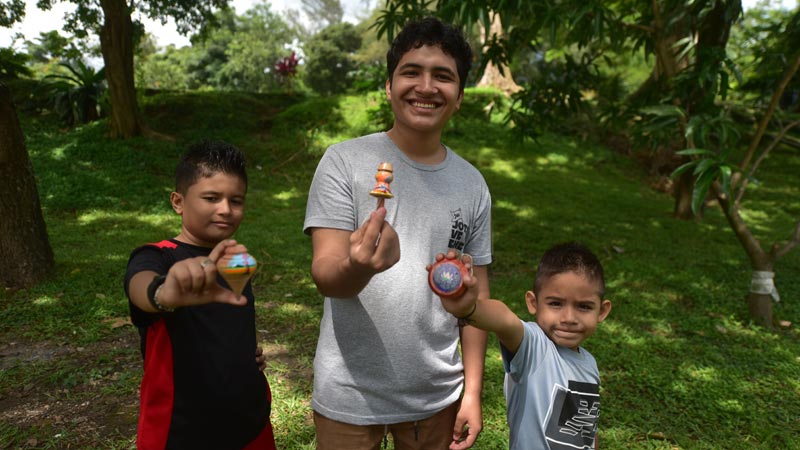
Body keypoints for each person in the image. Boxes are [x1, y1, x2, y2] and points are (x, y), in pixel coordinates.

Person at [303, 16, 492, 450]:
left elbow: (475, 301)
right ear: (389, 86)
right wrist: (359, 266)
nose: (426, 87)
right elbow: (326, 275)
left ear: (460, 96)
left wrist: (473, 393)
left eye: (442, 76)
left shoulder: (472, 184)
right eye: (411, 72)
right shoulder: (344, 162)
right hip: (349, 392)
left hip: (436, 396)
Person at [124, 141, 276, 450]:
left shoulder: (236, 257)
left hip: (251, 422)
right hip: (182, 430)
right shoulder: (156, 256)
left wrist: (243, 355)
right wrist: (164, 293)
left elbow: (230, 324)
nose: (226, 209)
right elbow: (141, 287)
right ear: (178, 202)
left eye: (237, 200)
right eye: (211, 198)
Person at [431, 242, 612, 450]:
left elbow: (586, 429)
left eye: (584, 307)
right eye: (555, 303)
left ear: (602, 311)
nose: (569, 318)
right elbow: (504, 320)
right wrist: (469, 308)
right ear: (533, 303)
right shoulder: (535, 348)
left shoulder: (590, 364)